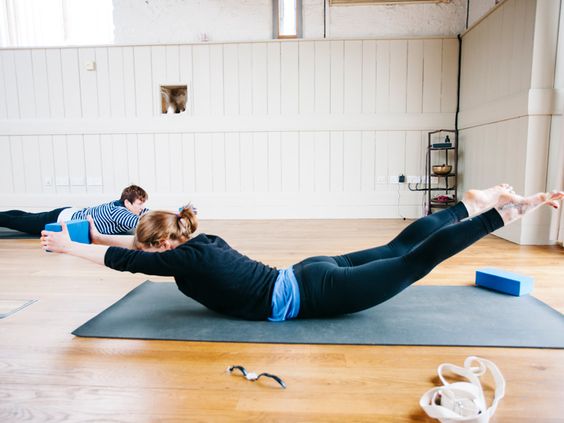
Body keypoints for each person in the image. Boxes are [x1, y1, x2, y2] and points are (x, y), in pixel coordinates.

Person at [40, 186, 563, 322]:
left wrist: (70, 245)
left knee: (411, 263)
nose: (145, 253)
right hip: (311, 270)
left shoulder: (180, 259)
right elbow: (133, 251)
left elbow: (128, 261)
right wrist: (87, 239)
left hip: (313, 292)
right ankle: (468, 204)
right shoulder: (197, 242)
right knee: (398, 246)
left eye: (147, 245)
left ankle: (501, 216)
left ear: (162, 245)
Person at [0, 185, 149, 236]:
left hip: (68, 214)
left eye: (143, 204)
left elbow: (148, 213)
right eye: (139, 204)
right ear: (127, 203)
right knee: (20, 222)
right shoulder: (119, 212)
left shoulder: (123, 206)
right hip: (62, 219)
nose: (141, 207)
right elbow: (142, 223)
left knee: (25, 217)